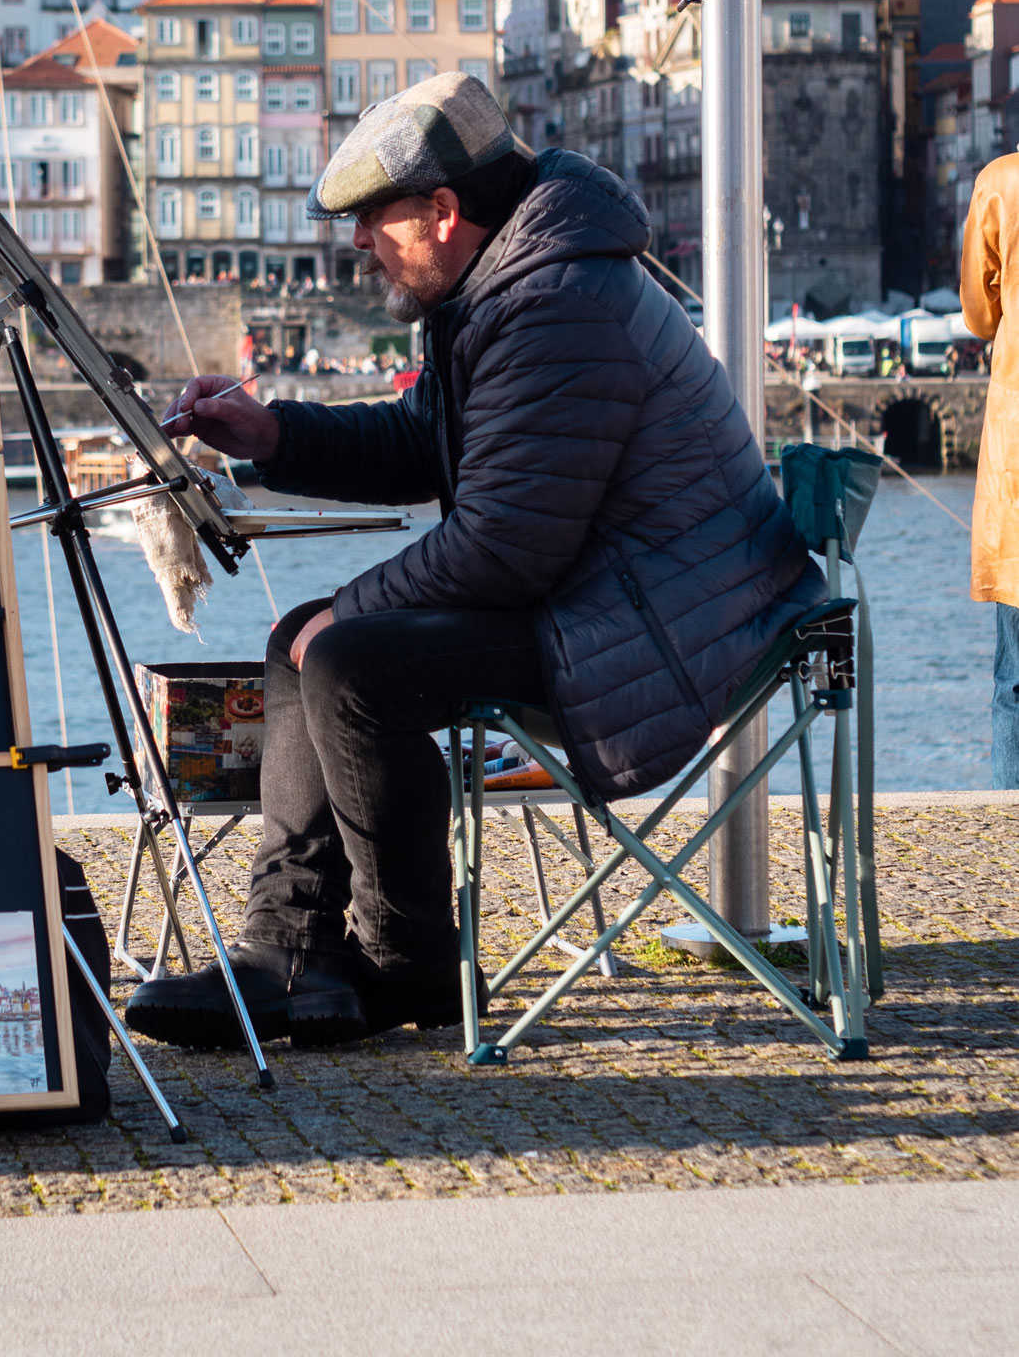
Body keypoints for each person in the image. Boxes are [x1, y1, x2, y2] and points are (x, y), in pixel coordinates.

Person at [127, 73, 826, 1050]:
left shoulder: (556, 302)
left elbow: (505, 544)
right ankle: (295, 955)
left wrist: (354, 610)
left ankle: (399, 961)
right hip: (609, 591)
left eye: (373, 220)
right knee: (309, 639)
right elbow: (426, 443)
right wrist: (270, 432)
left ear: (443, 210)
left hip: (668, 617)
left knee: (343, 657)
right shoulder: (515, 282)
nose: (359, 243)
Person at [961, 157, 1019, 785]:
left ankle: (1010, 827)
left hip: (1017, 452)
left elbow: (979, 314)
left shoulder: (1000, 183)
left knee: (1014, 680)